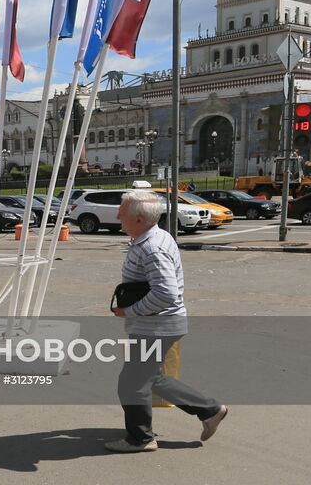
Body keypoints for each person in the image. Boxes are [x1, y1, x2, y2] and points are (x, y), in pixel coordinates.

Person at [105, 190, 228, 454]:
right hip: (158, 325)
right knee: (150, 378)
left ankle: (140, 439)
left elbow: (166, 293)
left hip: (156, 327)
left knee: (131, 383)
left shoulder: (152, 247)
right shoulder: (152, 237)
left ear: (139, 219)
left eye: (122, 212)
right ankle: (209, 410)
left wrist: (130, 311)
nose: (117, 215)